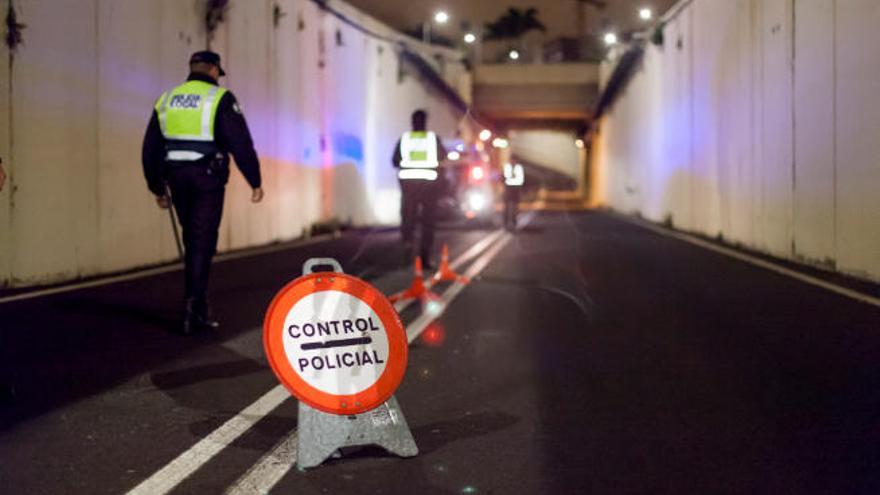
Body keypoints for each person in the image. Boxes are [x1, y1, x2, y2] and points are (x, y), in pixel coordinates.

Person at [142, 50, 263, 334]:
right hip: (207, 177)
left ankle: (195, 304)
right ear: (213, 70)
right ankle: (194, 308)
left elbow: (151, 147)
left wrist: (156, 186)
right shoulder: (220, 99)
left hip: (176, 177)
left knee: (192, 238)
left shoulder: (167, 99)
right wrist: (254, 180)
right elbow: (240, 142)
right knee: (202, 241)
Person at [392, 110, 446, 269]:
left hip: (408, 184)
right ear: (425, 122)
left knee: (408, 216)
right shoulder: (432, 139)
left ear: (412, 122)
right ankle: (425, 256)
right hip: (429, 185)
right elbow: (442, 156)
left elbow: (395, 161)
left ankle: (407, 244)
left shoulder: (404, 139)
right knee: (428, 220)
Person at [502, 162, 524, 231]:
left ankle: (514, 223)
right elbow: (505, 178)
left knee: (514, 208)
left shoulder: (518, 168)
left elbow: (520, 180)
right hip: (508, 189)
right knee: (507, 208)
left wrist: (511, 180)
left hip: (515, 190)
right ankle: (506, 223)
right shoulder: (507, 167)